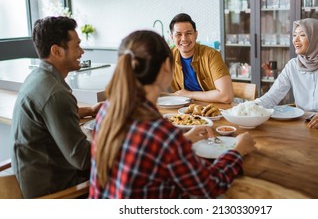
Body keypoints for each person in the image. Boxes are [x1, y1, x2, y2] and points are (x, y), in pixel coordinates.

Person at [89, 30, 256, 199]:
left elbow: (147, 153)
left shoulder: (107, 110)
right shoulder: (162, 134)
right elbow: (209, 186)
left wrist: (184, 141)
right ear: (165, 67)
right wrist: (238, 151)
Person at [10, 16, 102, 198]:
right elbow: (83, 159)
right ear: (57, 51)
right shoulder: (55, 93)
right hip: (55, 192)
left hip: (33, 179)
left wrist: (91, 110)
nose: (82, 51)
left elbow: (52, 115)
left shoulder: (38, 77)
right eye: (77, 46)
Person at [169, 13, 234, 103]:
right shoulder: (168, 56)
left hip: (213, 110)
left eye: (188, 33)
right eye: (178, 34)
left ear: (196, 34)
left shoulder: (211, 55)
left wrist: (188, 94)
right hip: (183, 111)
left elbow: (226, 96)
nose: (184, 39)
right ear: (171, 37)